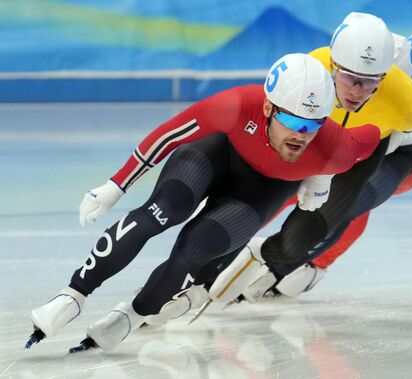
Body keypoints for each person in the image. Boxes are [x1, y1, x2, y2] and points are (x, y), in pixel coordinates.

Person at [26, 52, 383, 352]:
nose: (300, 135)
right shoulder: (238, 104)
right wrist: (116, 185)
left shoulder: (336, 148)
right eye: (291, 120)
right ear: (268, 107)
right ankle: (72, 295)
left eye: (313, 125)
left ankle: (131, 316)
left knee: (195, 248)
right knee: (162, 210)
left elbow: (374, 135)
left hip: (263, 190)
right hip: (216, 155)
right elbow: (166, 135)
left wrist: (323, 173)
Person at [142, 12, 412, 321]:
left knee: (332, 217)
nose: (357, 92)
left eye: (371, 84)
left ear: (388, 79)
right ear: (335, 64)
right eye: (350, 78)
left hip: (375, 150)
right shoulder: (314, 67)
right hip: (323, 138)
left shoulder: (408, 101)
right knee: (260, 202)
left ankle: (274, 259)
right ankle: (185, 279)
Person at [240, 25, 412, 301]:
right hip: (384, 131)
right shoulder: (385, 67)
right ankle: (281, 254)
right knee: (312, 185)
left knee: (353, 199)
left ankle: (304, 264)